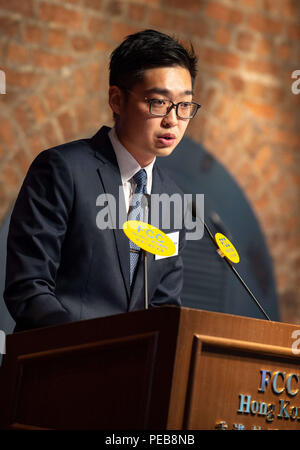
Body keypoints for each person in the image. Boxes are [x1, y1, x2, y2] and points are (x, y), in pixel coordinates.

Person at [4, 29, 200, 332]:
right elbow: (28, 288)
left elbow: (163, 308)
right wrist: (93, 348)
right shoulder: (63, 170)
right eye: (159, 102)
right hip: (59, 365)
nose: (172, 119)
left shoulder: (173, 200)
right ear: (117, 99)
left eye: (184, 105)